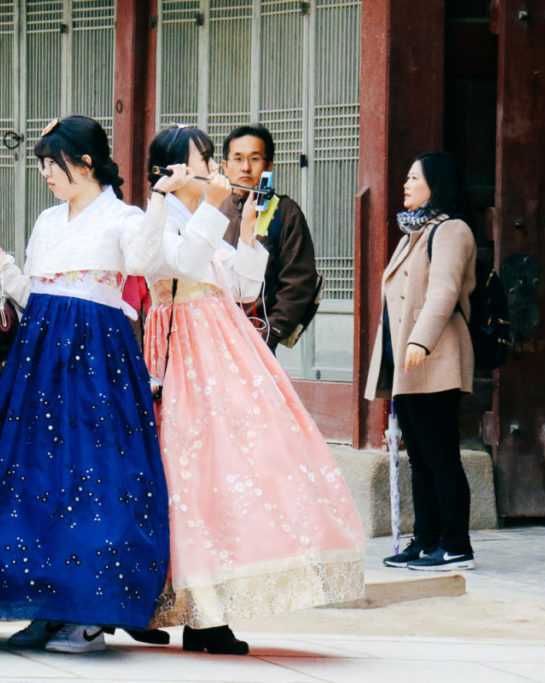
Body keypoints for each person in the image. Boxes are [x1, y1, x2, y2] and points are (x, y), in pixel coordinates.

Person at [141, 125, 366, 654]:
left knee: (230, 474)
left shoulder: (211, 218)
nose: (214, 172)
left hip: (223, 351)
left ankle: (210, 613)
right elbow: (175, 267)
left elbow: (243, 287)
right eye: (202, 162)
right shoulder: (157, 219)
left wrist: (243, 234)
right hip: (184, 359)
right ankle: (170, 603)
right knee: (184, 476)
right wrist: (205, 209)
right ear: (172, 172)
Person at [0, 115, 177, 654]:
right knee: (33, 478)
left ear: (85, 162)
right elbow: (31, 292)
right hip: (39, 356)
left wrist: (159, 202)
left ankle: (91, 611)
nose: (45, 174)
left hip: (96, 357)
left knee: (95, 477)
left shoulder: (124, 217)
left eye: (51, 163)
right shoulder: (47, 220)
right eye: (42, 164)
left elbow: (152, 263)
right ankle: (43, 602)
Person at [366, 152, 477, 572]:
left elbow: (444, 292)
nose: (406, 184)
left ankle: (456, 544)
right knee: (420, 457)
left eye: (415, 178)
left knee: (440, 453)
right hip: (407, 363)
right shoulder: (412, 233)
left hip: (436, 357)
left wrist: (421, 342)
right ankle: (426, 538)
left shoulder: (451, 230)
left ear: (437, 183)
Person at [220, 124, 320, 350]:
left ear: (269, 166)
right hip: (212, 335)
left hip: (258, 339)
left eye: (254, 159)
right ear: (225, 166)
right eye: (237, 159)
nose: (245, 167)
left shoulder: (284, 212)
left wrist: (270, 333)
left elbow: (298, 281)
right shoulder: (213, 209)